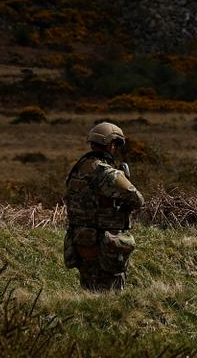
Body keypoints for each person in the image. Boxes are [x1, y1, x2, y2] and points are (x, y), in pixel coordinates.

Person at [63, 121, 143, 291]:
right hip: (105, 244)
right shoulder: (107, 173)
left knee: (89, 292)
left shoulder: (77, 169)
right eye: (116, 145)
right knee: (111, 295)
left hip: (81, 241)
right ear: (111, 145)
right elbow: (137, 199)